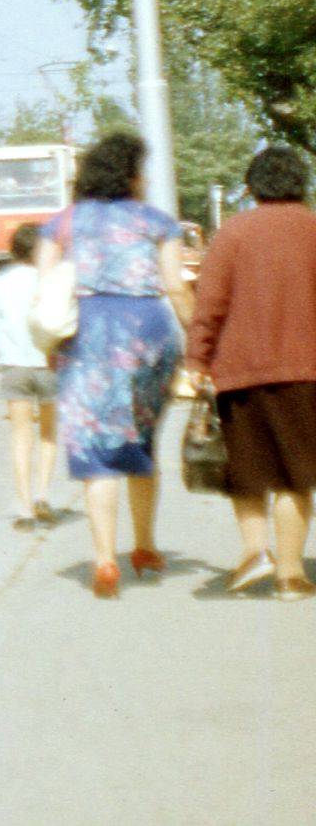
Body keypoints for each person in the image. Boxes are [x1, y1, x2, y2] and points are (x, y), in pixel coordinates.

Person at [37, 132, 192, 598]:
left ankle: (105, 560)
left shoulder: (60, 224)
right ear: (130, 175)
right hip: (148, 333)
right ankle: (145, 547)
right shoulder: (157, 222)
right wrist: (204, 339)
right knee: (140, 441)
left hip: (86, 335)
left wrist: (50, 345)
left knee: (95, 447)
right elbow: (177, 288)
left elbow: (45, 292)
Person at [185, 146, 316, 600]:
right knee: (295, 475)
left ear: (251, 187)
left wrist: (197, 361)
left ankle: (256, 552)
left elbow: (210, 304)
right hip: (305, 373)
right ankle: (291, 576)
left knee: (250, 470)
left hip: (239, 373)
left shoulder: (233, 232)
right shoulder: (313, 228)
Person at [0, 224, 58, 530]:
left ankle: (24, 508)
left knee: (21, 436)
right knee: (48, 434)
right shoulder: (53, 281)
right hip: (50, 365)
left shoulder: (0, 283)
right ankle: (43, 495)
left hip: (14, 368)